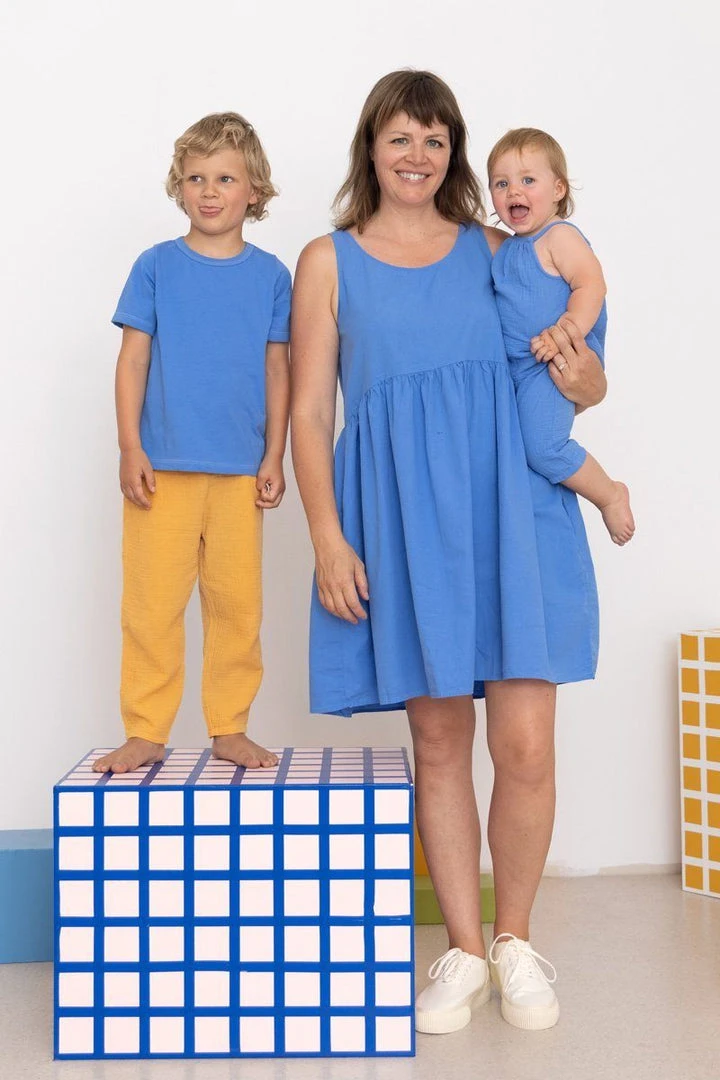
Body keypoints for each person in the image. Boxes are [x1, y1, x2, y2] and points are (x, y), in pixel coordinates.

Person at [291, 71, 607, 1034]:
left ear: (454, 152)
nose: (418, 156)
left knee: (525, 744)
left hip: (511, 513)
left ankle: (515, 941)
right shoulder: (327, 260)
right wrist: (327, 536)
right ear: (370, 147)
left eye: (435, 139)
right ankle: (465, 952)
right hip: (402, 525)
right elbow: (309, 413)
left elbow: (574, 372)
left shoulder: (498, 250)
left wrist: (587, 380)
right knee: (437, 742)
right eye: (400, 138)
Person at [94, 112, 290, 775]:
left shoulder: (272, 276)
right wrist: (129, 446)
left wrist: (274, 454)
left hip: (239, 473)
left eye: (225, 179)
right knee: (151, 606)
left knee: (238, 607)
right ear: (179, 186)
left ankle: (230, 726)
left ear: (254, 190)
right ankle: (146, 730)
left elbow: (278, 369)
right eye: (196, 178)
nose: (209, 191)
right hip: (162, 470)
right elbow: (132, 359)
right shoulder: (155, 267)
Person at [488, 127, 634, 545]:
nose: (514, 191)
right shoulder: (508, 247)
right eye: (501, 183)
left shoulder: (558, 237)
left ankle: (609, 494)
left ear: (558, 189)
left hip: (554, 363)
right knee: (514, 447)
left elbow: (591, 284)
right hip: (519, 367)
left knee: (543, 446)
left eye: (527, 180)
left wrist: (564, 331)